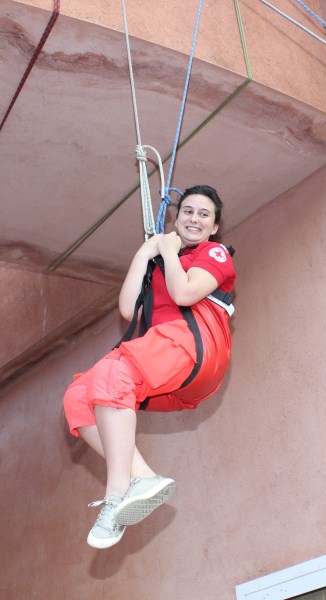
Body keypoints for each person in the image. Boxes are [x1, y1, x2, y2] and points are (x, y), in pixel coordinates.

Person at [63, 185, 236, 549]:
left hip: (194, 347)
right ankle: (141, 476)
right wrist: (145, 253)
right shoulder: (159, 263)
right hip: (170, 369)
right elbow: (129, 309)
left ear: (215, 226)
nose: (194, 219)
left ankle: (115, 497)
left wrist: (170, 253)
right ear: (176, 217)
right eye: (187, 211)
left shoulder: (214, 253)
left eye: (204, 214)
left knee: (114, 370)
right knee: (78, 396)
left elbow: (186, 294)